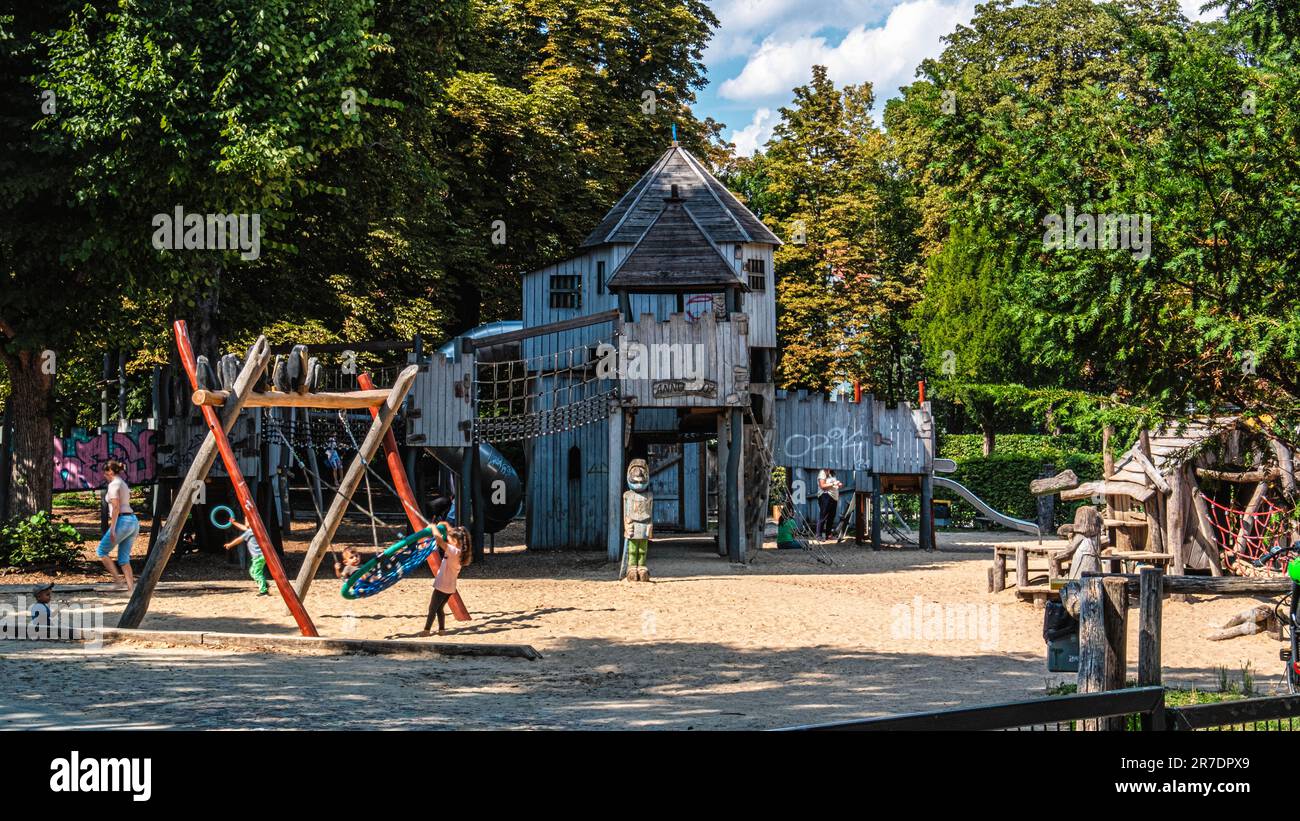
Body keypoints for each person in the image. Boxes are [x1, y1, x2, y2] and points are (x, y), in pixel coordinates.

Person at [420, 523, 471, 636]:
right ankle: (442, 630)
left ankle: (426, 630)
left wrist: (433, 527)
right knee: (439, 608)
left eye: (450, 538)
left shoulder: (453, 551)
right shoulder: (460, 553)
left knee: (432, 608)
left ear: (456, 542)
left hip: (442, 586)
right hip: (450, 587)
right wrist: (444, 524)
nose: (447, 538)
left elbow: (439, 540)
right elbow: (450, 533)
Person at [97, 459, 140, 590]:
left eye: (105, 472)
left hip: (123, 521)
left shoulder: (113, 485)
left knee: (101, 551)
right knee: (123, 559)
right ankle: (131, 589)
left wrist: (113, 527)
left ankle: (118, 581)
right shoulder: (123, 483)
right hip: (133, 521)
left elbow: (116, 507)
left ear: (110, 471)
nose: (104, 475)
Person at [223, 518, 269, 595]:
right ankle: (263, 583)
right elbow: (244, 527)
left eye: (247, 520)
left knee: (257, 573)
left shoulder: (250, 532)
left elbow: (239, 539)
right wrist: (234, 523)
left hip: (259, 556)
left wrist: (230, 545)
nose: (245, 522)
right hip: (258, 557)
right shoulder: (253, 530)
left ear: (252, 522)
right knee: (252, 571)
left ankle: (263, 590)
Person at [816, 468, 842, 540]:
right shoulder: (822, 472)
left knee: (831, 517)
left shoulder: (832, 473)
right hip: (825, 496)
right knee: (823, 516)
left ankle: (828, 535)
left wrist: (838, 484)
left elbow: (832, 485)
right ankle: (819, 535)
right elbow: (822, 486)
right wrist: (834, 483)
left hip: (834, 497)